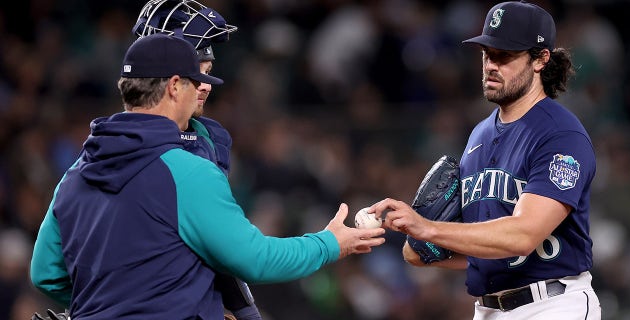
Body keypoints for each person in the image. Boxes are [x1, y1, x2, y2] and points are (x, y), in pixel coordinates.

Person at [29, 33, 385, 319]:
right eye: (195, 81)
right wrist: (329, 244)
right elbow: (257, 260)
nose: (204, 89)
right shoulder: (186, 171)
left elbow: (45, 272)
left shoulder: (74, 174)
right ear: (173, 86)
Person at [368, 1, 601, 319]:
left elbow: (523, 236)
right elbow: (485, 251)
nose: (491, 64)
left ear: (540, 59)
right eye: (487, 53)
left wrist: (429, 229)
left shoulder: (560, 134)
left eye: (505, 55)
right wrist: (424, 247)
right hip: (488, 308)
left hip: (552, 304)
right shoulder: (479, 134)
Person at [133, 1, 262, 319]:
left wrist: (243, 312)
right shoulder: (108, 147)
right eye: (196, 72)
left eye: (209, 71)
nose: (206, 85)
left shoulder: (211, 139)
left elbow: (220, 249)